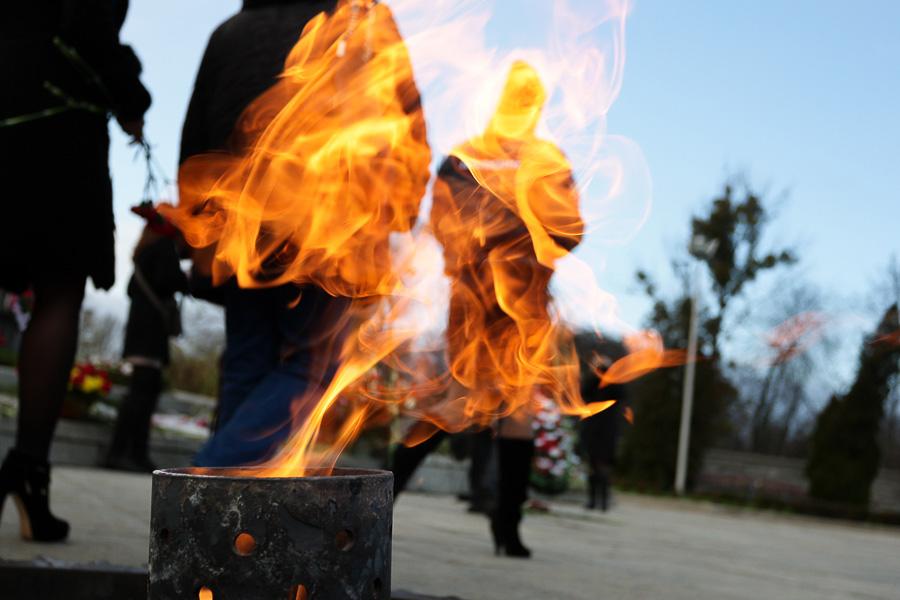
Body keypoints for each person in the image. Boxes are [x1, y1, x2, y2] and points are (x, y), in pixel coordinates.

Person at [0, 0, 150, 541]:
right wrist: (130, 96)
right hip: (53, 121)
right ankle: (27, 470)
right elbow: (88, 23)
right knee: (58, 291)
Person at [429, 61, 584, 558]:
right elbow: (570, 232)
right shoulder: (543, 159)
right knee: (492, 408)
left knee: (469, 404)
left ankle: (506, 526)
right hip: (505, 297)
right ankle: (507, 530)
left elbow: (440, 220)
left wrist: (471, 253)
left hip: (491, 296)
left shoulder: (468, 156)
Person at [104, 206, 188, 473]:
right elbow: (170, 280)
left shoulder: (144, 254)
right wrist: (184, 279)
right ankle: (130, 453)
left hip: (141, 332)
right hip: (149, 335)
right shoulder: (163, 250)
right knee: (142, 397)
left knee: (139, 395)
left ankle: (127, 452)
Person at [575, 335, 627, 511]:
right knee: (592, 468)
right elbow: (584, 393)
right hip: (593, 430)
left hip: (606, 431)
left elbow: (620, 395)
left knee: (602, 469)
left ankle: (603, 501)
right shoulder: (593, 383)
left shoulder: (615, 386)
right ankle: (593, 501)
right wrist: (595, 374)